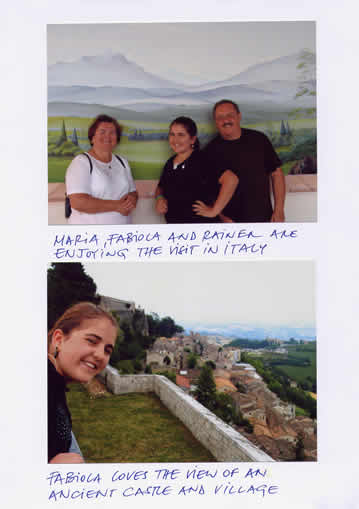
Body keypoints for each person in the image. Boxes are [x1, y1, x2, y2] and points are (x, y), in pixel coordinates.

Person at [47, 302, 118, 463]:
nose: (101, 355)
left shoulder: (53, 384)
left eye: (107, 350)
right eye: (92, 341)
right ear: (59, 339)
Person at [200, 100, 286, 223]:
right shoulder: (209, 152)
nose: (225, 121)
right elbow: (208, 192)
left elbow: (276, 174)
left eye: (230, 115)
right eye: (220, 117)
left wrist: (279, 210)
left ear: (239, 116)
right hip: (230, 222)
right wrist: (222, 217)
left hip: (265, 218)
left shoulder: (259, 140)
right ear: (215, 122)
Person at [155, 116, 238, 223]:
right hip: (176, 231)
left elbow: (231, 180)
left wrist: (214, 211)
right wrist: (159, 198)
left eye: (181, 135)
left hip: (202, 230)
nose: (175, 140)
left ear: (192, 139)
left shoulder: (203, 159)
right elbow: (160, 187)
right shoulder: (170, 163)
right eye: (172, 134)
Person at [65, 114, 138, 224]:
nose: (107, 136)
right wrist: (117, 206)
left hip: (122, 234)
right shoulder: (81, 162)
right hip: (90, 236)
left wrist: (132, 199)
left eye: (112, 133)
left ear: (117, 139)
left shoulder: (122, 162)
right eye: (102, 132)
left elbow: (133, 192)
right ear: (92, 137)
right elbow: (78, 202)